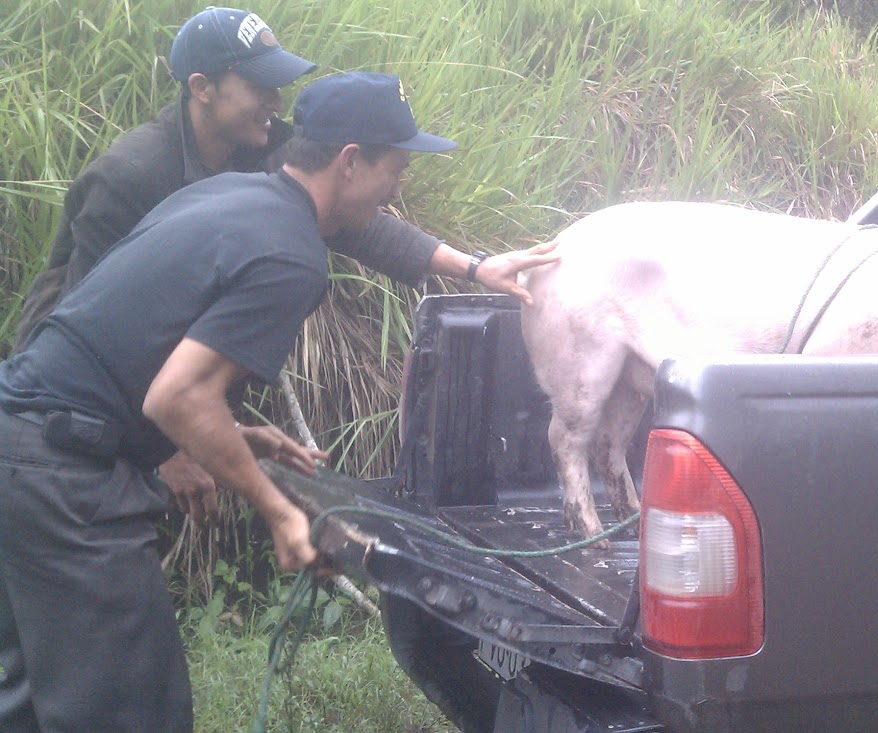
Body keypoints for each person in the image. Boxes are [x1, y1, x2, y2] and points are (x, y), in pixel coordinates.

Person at [0, 70, 542, 733]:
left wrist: (236, 434)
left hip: (20, 449)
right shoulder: (291, 255)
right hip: (70, 486)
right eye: (395, 171)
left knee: (29, 702)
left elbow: (133, 356)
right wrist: (280, 511)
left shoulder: (232, 194)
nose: (397, 190)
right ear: (350, 162)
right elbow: (178, 396)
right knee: (130, 715)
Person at [11, 6, 550, 522]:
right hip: (69, 422)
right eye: (259, 86)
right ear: (202, 88)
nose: (276, 100)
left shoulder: (265, 149)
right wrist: (170, 448)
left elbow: (356, 219)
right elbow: (92, 317)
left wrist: (475, 268)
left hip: (158, 403)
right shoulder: (131, 176)